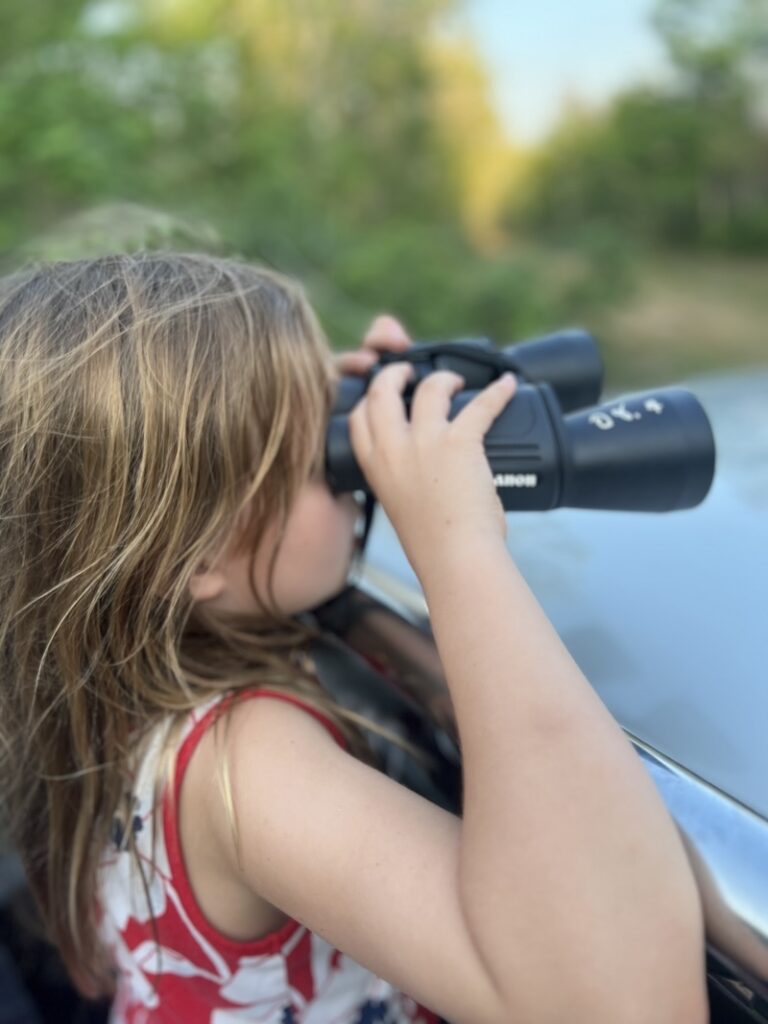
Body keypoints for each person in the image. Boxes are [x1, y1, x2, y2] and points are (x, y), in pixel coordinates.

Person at [0, 252, 707, 1024]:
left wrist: (290, 399)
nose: (354, 463)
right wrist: (457, 544)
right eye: (318, 453)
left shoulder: (107, 677)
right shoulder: (245, 762)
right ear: (197, 555)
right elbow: (624, 1004)